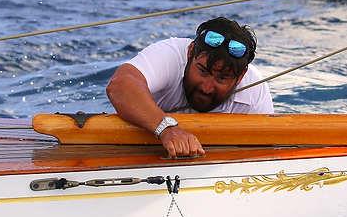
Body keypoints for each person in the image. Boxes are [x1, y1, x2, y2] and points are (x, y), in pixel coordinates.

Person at [106, 17, 273, 158]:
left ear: (241, 76)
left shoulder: (254, 89)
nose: (207, 88)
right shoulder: (169, 55)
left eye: (222, 78)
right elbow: (119, 85)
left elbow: (269, 153)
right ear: (190, 52)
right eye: (202, 71)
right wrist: (167, 128)